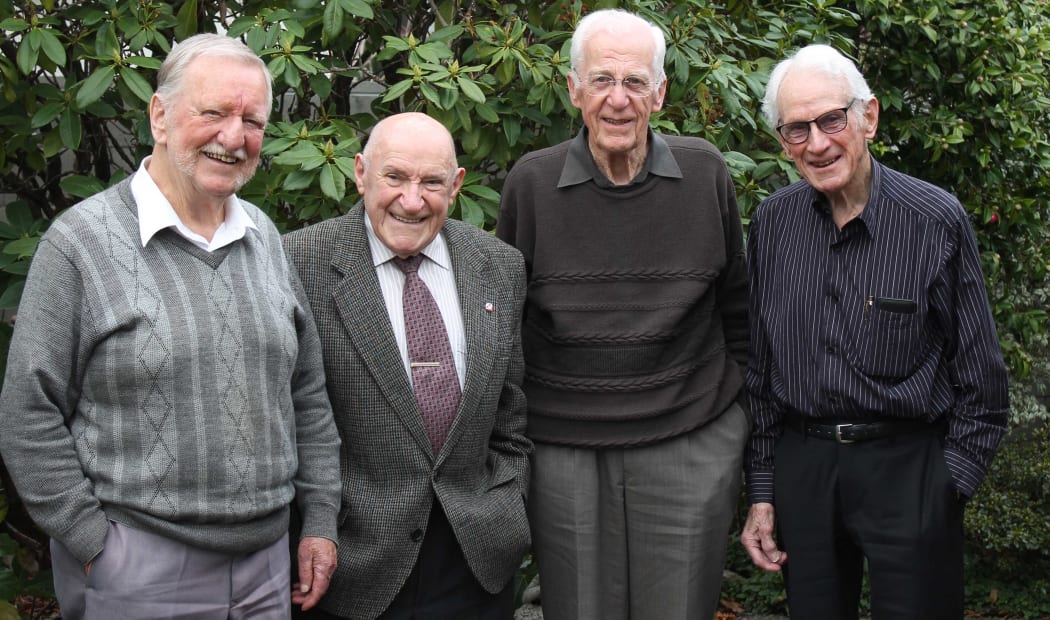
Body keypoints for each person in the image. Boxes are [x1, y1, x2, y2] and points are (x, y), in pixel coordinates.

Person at [0, 33, 342, 619]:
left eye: (252, 120)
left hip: (267, 566)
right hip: (139, 567)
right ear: (159, 114)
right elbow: (29, 412)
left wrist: (320, 521)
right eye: (213, 113)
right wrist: (92, 545)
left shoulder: (263, 236)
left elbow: (305, 395)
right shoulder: (81, 243)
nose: (233, 138)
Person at [496, 9, 750, 620]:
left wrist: (730, 430)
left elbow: (738, 308)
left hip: (689, 438)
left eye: (635, 82)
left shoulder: (705, 173)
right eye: (602, 80)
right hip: (564, 449)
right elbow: (504, 326)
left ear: (660, 93)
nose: (618, 100)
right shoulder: (531, 183)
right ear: (573, 89)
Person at [741, 43, 1010, 619]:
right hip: (804, 468)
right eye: (796, 130)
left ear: (869, 116)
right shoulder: (772, 224)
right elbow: (759, 372)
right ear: (783, 143)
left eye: (831, 120)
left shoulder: (933, 219)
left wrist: (947, 485)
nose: (817, 143)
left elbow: (981, 376)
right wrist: (764, 491)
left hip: (907, 467)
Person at [282, 111, 532, 620]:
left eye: (432, 182)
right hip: (349, 563)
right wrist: (314, 526)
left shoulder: (499, 266)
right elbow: (286, 421)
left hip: (475, 561)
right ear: (360, 173)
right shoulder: (297, 262)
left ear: (456, 185)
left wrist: (507, 505)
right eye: (394, 177)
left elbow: (511, 417)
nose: (412, 200)